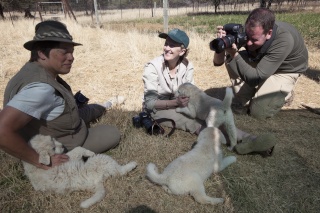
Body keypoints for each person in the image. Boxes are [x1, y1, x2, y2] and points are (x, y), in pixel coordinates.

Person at [0, 20, 122, 170]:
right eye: (64, 52)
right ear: (41, 53)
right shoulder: (40, 89)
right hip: (59, 146)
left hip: (53, 128)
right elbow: (2, 130)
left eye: (72, 52)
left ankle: (106, 105)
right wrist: (42, 161)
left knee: (92, 109)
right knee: (112, 133)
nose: (71, 57)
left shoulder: (31, 71)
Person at [142, 28, 276, 156]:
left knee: (213, 112)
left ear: (182, 51)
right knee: (196, 123)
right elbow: (149, 103)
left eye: (172, 45)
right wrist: (175, 102)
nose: (166, 48)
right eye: (166, 44)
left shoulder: (187, 66)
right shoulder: (152, 67)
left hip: (181, 103)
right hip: (158, 109)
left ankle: (251, 139)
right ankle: (237, 144)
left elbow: (192, 93)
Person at [213, 8, 308, 120]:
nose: (248, 43)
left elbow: (254, 78)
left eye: (254, 40)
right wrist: (221, 45)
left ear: (269, 33)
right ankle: (247, 96)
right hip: (260, 60)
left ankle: (286, 94)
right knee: (230, 58)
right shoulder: (248, 31)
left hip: (285, 70)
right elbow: (217, 62)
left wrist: (235, 54)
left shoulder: (284, 39)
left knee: (258, 112)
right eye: (248, 37)